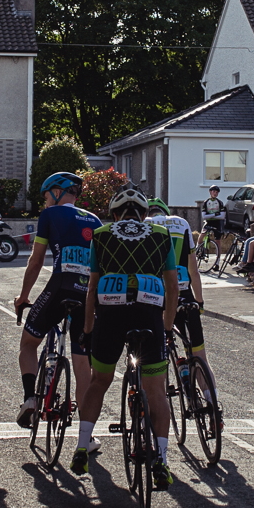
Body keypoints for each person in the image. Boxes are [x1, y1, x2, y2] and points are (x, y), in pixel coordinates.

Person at [73, 188, 179, 484]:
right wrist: (167, 328)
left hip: (111, 314)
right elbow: (173, 287)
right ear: (144, 214)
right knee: (156, 391)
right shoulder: (160, 234)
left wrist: (87, 331)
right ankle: (162, 459)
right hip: (148, 314)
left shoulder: (102, 234)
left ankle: (82, 446)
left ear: (115, 214)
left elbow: (92, 288)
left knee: (99, 381)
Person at [12, 172, 99, 426]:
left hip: (61, 286)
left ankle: (30, 399)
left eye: (47, 195)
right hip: (87, 293)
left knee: (28, 344)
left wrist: (24, 296)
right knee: (83, 364)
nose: (45, 201)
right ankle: (87, 434)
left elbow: (36, 260)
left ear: (58, 191)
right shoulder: (94, 219)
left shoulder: (50, 215)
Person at [147, 197, 219, 435]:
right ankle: (212, 406)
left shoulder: (146, 224)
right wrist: (199, 302)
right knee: (199, 355)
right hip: (186, 295)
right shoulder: (181, 223)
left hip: (158, 296)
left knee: (155, 358)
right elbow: (193, 270)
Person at [198, 185, 227, 256]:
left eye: (217, 192)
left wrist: (210, 216)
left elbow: (222, 216)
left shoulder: (220, 203)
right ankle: (197, 249)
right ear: (210, 192)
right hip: (208, 222)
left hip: (217, 223)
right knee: (202, 235)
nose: (215, 193)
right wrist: (215, 214)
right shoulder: (206, 202)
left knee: (218, 241)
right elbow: (204, 216)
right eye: (214, 191)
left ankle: (217, 261)